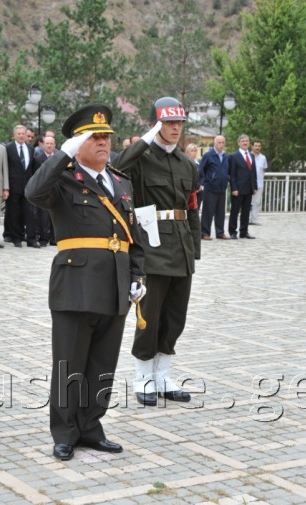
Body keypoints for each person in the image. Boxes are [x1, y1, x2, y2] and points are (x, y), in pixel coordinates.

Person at [25, 104, 145, 461]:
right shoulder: (61, 179)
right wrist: (63, 155)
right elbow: (32, 192)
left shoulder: (122, 182)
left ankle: (91, 426)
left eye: (106, 136)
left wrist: (138, 276)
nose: (103, 143)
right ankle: (64, 431)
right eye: (94, 137)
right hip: (75, 285)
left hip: (115, 285)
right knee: (69, 362)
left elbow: (132, 237)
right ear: (77, 143)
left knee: (102, 364)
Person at [114, 96, 201, 406]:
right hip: (151, 245)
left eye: (178, 123)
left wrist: (194, 248)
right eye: (168, 122)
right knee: (148, 315)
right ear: (156, 125)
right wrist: (145, 140)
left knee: (175, 315)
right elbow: (117, 169)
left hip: (180, 246)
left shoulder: (187, 164)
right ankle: (142, 377)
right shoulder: (141, 160)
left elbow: (191, 207)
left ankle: (163, 375)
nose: (175, 128)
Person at [5, 125, 38, 248]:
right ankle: (16, 238)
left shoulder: (30, 149)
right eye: (18, 133)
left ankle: (31, 239)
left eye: (23, 133)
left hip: (27, 186)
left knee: (30, 213)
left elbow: (31, 168)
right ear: (14, 135)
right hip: (13, 186)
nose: (21, 135)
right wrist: (6, 187)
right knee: (15, 213)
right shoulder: (8, 148)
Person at [198, 135, 230, 240]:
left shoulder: (225, 156)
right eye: (219, 142)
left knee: (221, 212)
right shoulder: (208, 155)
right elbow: (201, 170)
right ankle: (204, 233)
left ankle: (220, 232)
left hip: (222, 188)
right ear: (214, 143)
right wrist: (201, 183)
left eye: (222, 142)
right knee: (208, 211)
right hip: (210, 188)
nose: (221, 144)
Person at [228, 134, 258, 239]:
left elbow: (253, 172)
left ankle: (244, 231)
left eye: (247, 141)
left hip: (249, 188)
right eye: (243, 141)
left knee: (246, 212)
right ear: (239, 143)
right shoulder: (234, 156)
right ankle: (232, 231)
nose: (245, 143)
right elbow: (232, 174)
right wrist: (234, 188)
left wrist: (254, 186)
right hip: (238, 189)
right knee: (235, 211)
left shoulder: (251, 155)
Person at [33, 135, 56, 245]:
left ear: (54, 145)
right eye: (47, 143)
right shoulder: (38, 159)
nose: (49, 145)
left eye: (51, 143)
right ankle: (43, 238)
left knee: (55, 215)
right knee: (42, 216)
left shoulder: (59, 157)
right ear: (43, 145)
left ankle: (53, 238)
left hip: (56, 190)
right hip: (43, 190)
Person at [249, 140, 268, 225]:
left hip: (259, 183)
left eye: (259, 146)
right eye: (255, 146)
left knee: (256, 202)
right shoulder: (248, 156)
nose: (257, 147)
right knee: (247, 202)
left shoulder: (263, 158)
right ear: (252, 146)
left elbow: (264, 169)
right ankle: (247, 219)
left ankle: (254, 219)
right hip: (248, 183)